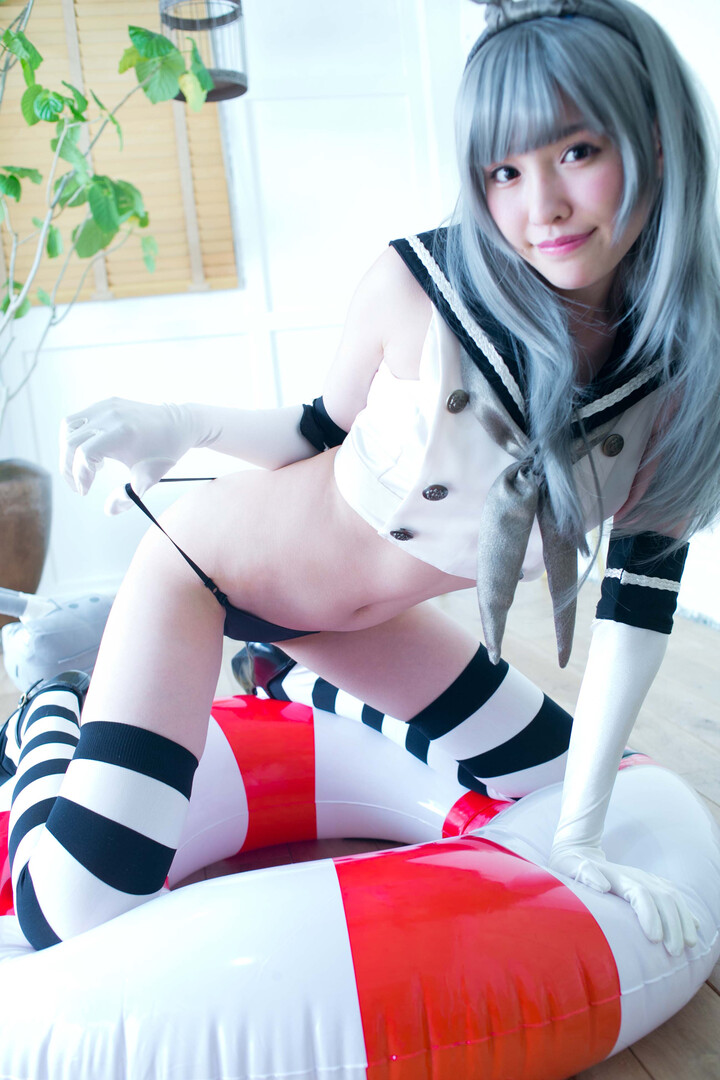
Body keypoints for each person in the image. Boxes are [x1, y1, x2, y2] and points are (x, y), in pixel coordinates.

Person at [3, 0, 718, 955]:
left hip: (355, 624)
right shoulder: (419, 284)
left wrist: (582, 833)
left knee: (558, 782)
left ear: (656, 144)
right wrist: (177, 425)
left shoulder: (681, 380)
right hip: (208, 573)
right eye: (504, 171)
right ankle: (53, 694)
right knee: (69, 915)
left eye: (577, 152)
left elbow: (637, 610)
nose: (540, 205)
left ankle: (283, 678)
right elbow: (315, 434)